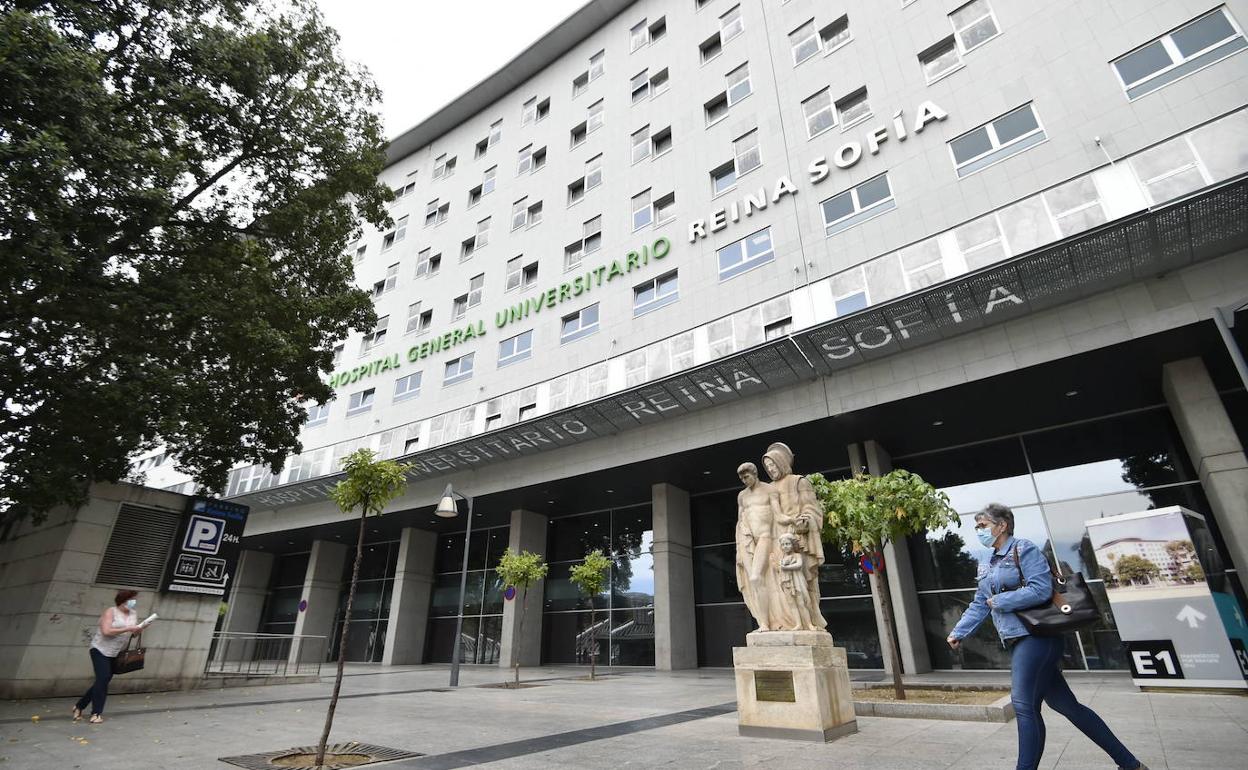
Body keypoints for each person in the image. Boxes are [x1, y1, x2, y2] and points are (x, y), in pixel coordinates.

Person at [946, 504, 1147, 770]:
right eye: (977, 527)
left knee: (1024, 705)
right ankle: (1130, 764)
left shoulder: (1023, 549)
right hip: (1017, 639)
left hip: (1036, 636)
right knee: (1068, 707)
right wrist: (959, 631)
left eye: (983, 526)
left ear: (1002, 525)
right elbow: (981, 602)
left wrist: (1001, 600)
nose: (979, 531)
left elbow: (1041, 590)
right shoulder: (986, 561)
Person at [73, 590, 142, 724]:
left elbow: (132, 634)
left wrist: (138, 630)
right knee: (103, 678)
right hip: (100, 649)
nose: (134, 602)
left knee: (102, 681)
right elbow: (106, 631)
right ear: (124, 599)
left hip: (116, 652)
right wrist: (128, 629)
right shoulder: (111, 612)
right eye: (132, 599)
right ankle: (96, 713)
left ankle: (79, 706)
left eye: (135, 599)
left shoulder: (133, 614)